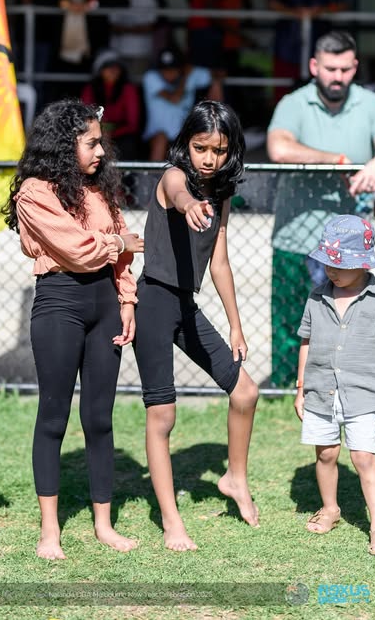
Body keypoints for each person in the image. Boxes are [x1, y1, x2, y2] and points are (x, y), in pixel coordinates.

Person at [3, 99, 144, 560]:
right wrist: (118, 242)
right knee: (53, 417)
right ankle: (50, 531)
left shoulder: (100, 190)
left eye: (100, 141)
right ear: (65, 145)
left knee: (100, 419)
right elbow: (80, 250)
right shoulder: (34, 193)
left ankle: (104, 524)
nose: (101, 151)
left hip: (106, 305)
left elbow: (120, 257)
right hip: (59, 305)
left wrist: (127, 300)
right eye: (91, 142)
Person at [134, 101, 259, 551]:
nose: (209, 157)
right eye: (201, 147)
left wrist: (236, 326)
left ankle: (235, 478)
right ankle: (171, 523)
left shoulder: (222, 193)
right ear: (186, 144)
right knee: (162, 414)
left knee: (246, 392)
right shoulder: (174, 178)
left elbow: (220, 262)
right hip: (152, 300)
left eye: (220, 150)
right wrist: (187, 205)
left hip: (187, 306)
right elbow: (179, 193)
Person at [267, 30, 375, 387]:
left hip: (352, 243)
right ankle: (284, 386)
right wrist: (338, 161)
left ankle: (345, 384)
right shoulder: (294, 103)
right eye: (330, 68)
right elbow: (279, 147)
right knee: (291, 321)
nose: (337, 77)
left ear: (355, 67)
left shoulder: (373, 105)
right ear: (314, 66)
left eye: (344, 69)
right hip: (297, 235)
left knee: (351, 320)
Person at [294, 214, 375, 556]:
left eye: (339, 264)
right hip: (321, 390)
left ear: (363, 265)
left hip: (362, 393)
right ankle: (331, 508)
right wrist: (300, 387)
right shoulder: (316, 296)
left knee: (363, 458)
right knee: (325, 453)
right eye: (327, 263)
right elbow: (305, 342)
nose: (330, 270)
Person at [187, 0, 252, 103]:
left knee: (208, 82)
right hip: (207, 39)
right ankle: (210, 122)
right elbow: (214, 17)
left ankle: (206, 121)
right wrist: (239, 35)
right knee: (211, 81)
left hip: (203, 38)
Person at [50, 0, 109, 102]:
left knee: (88, 97)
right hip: (61, 53)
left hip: (88, 53)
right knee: (60, 96)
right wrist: (62, 3)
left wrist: (91, 4)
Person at [142, 46, 213, 161]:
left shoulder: (192, 74)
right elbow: (175, 98)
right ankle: (153, 176)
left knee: (201, 138)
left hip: (184, 134)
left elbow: (214, 76)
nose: (168, 73)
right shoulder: (151, 77)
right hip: (156, 135)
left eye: (172, 69)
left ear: (181, 68)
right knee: (161, 139)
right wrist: (185, 76)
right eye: (164, 70)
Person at [81, 49, 141, 159]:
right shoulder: (90, 89)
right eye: (108, 66)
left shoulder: (128, 90)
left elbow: (133, 124)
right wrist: (101, 132)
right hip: (96, 133)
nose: (113, 70)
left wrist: (112, 134)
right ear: (100, 70)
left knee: (129, 143)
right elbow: (84, 118)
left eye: (117, 67)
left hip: (121, 137)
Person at [109, 0, 162, 78]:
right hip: (140, 49)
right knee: (136, 84)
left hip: (118, 48)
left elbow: (112, 24)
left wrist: (124, 29)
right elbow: (149, 26)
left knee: (119, 84)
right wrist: (136, 29)